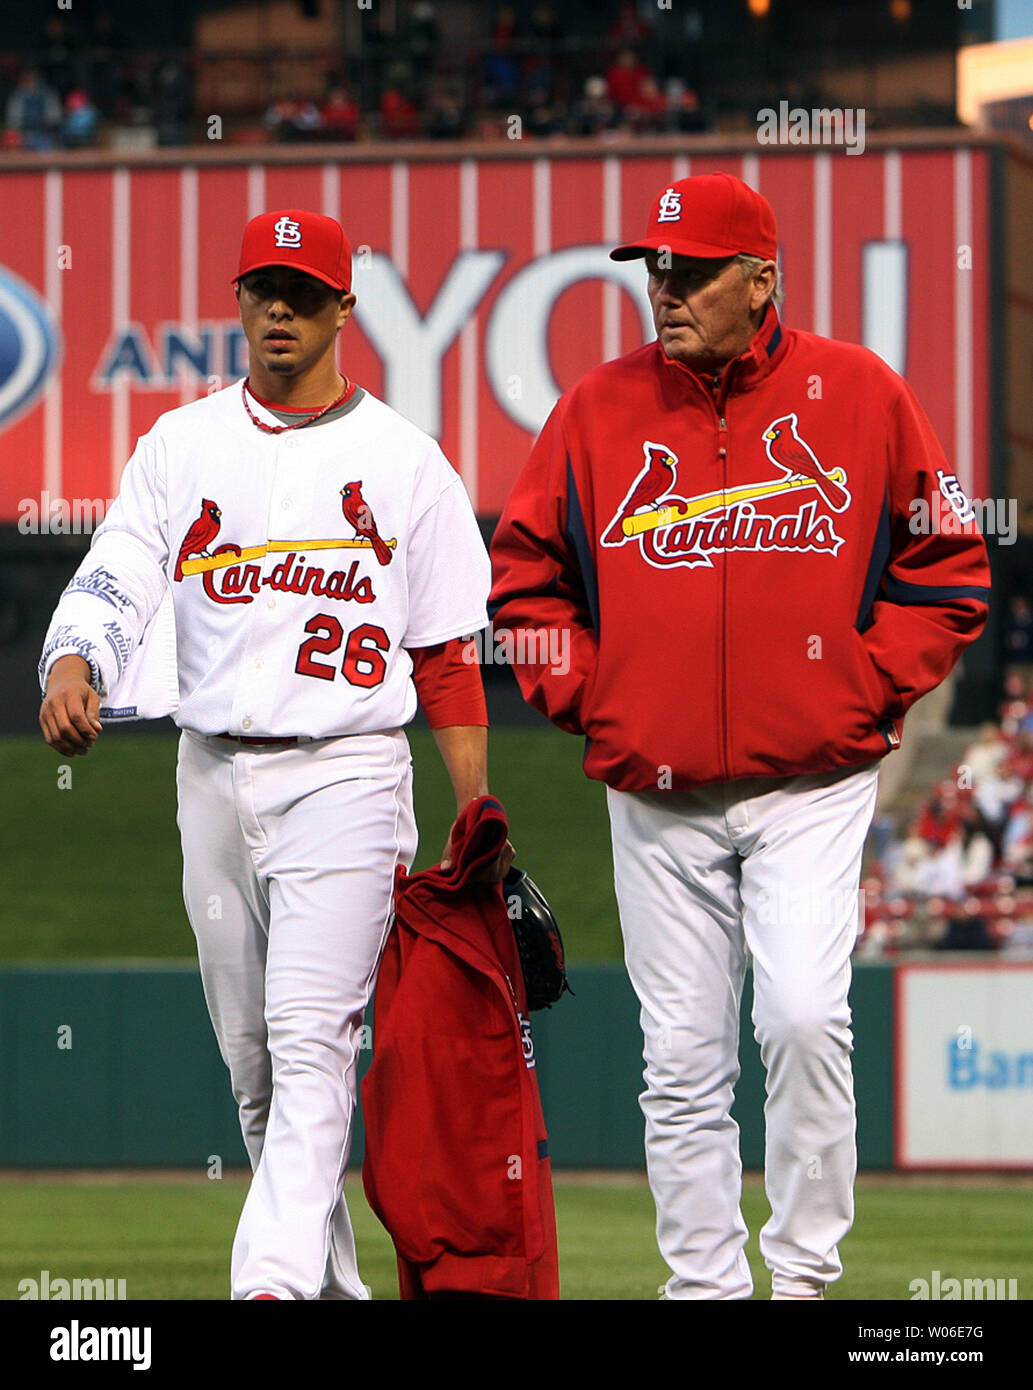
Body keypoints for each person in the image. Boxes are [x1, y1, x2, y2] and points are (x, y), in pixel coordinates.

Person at [489, 173, 990, 1299]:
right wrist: (595, 692)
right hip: (654, 789)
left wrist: (865, 685)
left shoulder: (859, 393)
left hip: (810, 778)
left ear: (760, 278)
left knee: (805, 1018)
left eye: (692, 270)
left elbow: (949, 566)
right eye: (653, 268)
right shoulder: (595, 408)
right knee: (678, 1062)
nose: (664, 289)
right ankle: (706, 1290)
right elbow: (521, 588)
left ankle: (803, 1278)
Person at [39, 208, 512, 1301]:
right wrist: (75, 660)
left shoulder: (406, 462)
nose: (281, 311)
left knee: (309, 1048)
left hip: (346, 772)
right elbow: (119, 566)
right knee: (254, 1074)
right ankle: (330, 1287)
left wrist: (475, 806)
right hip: (208, 771)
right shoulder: (182, 443)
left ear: (346, 307)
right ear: (240, 300)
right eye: (264, 290)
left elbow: (444, 653)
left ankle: (268, 1290)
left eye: (304, 292)